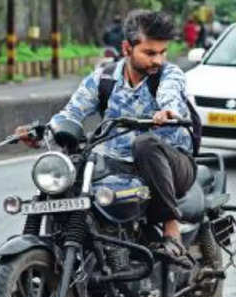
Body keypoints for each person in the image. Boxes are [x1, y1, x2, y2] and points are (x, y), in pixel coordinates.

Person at [16, 10, 196, 257]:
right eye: (150, 53)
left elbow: (171, 95)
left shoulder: (168, 75)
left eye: (162, 52)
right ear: (126, 48)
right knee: (75, 166)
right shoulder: (104, 78)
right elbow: (72, 112)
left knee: (145, 144)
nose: (158, 60)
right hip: (117, 164)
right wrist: (43, 131)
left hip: (172, 164)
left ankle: (170, 227)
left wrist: (168, 112)